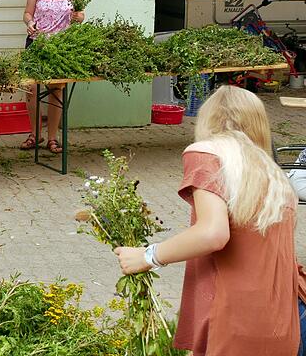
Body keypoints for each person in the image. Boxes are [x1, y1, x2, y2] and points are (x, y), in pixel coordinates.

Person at [113, 86, 306, 355]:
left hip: (232, 319)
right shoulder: (272, 172)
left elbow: (212, 233)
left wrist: (148, 256)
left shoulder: (207, 153)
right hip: (283, 320)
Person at [20, 0, 85, 153]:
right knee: (31, 89)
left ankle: (52, 138)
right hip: (37, 43)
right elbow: (27, 13)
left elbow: (80, 14)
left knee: (56, 90)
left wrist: (79, 17)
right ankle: (34, 134)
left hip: (61, 47)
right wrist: (30, 23)